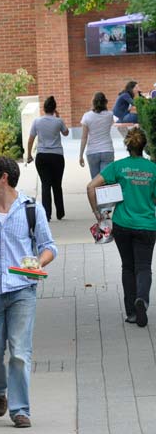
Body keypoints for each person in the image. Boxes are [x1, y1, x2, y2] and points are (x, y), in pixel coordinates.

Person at [0, 157, 57, 428]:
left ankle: (20, 410)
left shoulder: (31, 208)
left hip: (22, 291)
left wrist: (38, 263)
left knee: (19, 351)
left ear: (4, 178)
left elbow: (49, 246)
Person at [87, 128, 156, 327]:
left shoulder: (118, 167)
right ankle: (142, 299)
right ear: (144, 146)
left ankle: (132, 313)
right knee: (143, 267)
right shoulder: (152, 169)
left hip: (123, 224)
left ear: (127, 146)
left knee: (128, 267)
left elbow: (91, 186)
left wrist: (98, 214)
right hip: (147, 225)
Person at [26, 96, 70, 222]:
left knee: (45, 185)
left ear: (44, 108)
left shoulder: (37, 122)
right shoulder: (58, 121)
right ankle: (60, 212)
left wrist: (29, 155)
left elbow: (31, 139)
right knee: (57, 185)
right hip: (57, 156)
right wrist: (59, 117)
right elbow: (66, 133)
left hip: (42, 156)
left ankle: (46, 214)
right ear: (54, 108)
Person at [79, 92, 116, 179]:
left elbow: (84, 137)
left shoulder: (86, 116)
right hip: (107, 150)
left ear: (93, 102)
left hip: (92, 151)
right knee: (105, 180)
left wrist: (80, 155)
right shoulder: (110, 115)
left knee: (95, 182)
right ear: (105, 102)